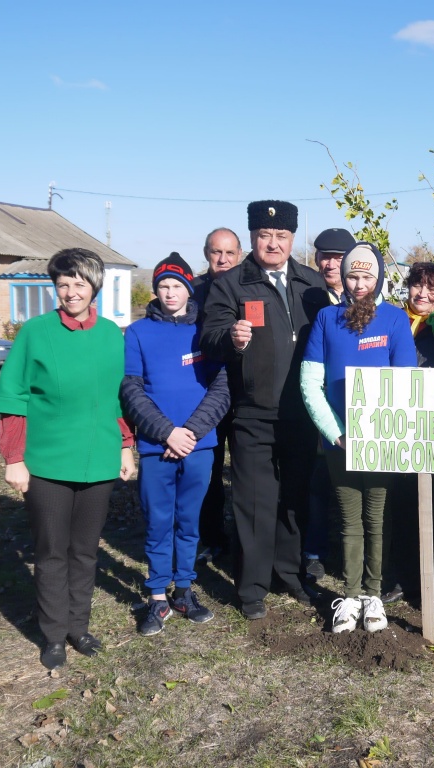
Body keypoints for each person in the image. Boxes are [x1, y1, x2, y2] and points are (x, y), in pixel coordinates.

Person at [0, 248, 135, 670]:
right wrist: (14, 457)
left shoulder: (111, 334)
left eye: (79, 283)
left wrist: (125, 445)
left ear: (94, 287)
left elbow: (117, 397)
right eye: (63, 284)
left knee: (86, 551)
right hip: (47, 462)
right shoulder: (35, 332)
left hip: (99, 460)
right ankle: (53, 635)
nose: (70, 292)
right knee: (52, 551)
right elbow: (13, 398)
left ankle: (78, 627)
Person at [201, 200, 330, 620]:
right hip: (253, 412)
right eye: (264, 236)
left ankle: (290, 575)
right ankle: (252, 588)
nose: (272, 243)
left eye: (281, 236)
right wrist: (231, 339)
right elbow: (210, 334)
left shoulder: (311, 284)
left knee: (294, 499)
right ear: (253, 237)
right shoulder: (233, 284)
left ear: (292, 239)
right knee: (255, 501)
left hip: (302, 412)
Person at [300, 242, 417, 633]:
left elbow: (404, 382)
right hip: (340, 440)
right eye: (353, 275)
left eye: (368, 275)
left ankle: (373, 594)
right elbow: (310, 383)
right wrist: (335, 433)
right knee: (349, 518)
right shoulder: (325, 319)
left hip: (381, 439)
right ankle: (350, 595)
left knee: (377, 517)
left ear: (379, 277)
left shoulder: (395, 321)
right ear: (343, 277)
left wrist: (380, 432)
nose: (360, 283)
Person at [121, 253, 231, 636]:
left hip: (199, 446)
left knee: (189, 521)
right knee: (158, 522)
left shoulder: (206, 330)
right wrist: (167, 432)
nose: (170, 293)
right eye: (163, 286)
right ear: (155, 290)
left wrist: (191, 433)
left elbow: (221, 388)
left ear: (188, 289)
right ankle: (157, 597)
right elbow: (131, 390)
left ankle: (184, 590)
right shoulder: (137, 333)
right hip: (157, 446)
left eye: (177, 286)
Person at [383, 261, 434, 605]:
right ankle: (402, 577)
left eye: (432, 288)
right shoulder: (390, 320)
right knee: (401, 505)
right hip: (398, 426)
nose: (423, 293)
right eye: (417, 286)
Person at [302, 227, 358, 582]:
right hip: (314, 401)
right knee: (317, 484)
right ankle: (314, 551)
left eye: (339, 257)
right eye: (324, 255)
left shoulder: (366, 299)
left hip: (353, 405)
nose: (330, 263)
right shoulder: (307, 295)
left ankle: (348, 552)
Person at [194, 227, 243, 562]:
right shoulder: (192, 292)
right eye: (216, 252)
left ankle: (244, 540)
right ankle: (210, 537)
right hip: (204, 394)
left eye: (229, 253)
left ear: (239, 254)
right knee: (207, 470)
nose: (223, 259)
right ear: (207, 254)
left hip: (243, 393)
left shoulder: (251, 288)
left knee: (243, 471)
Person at [313, 228, 356, 305]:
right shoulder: (305, 294)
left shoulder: (363, 294)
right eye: (326, 257)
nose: (331, 266)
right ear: (316, 259)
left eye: (339, 258)